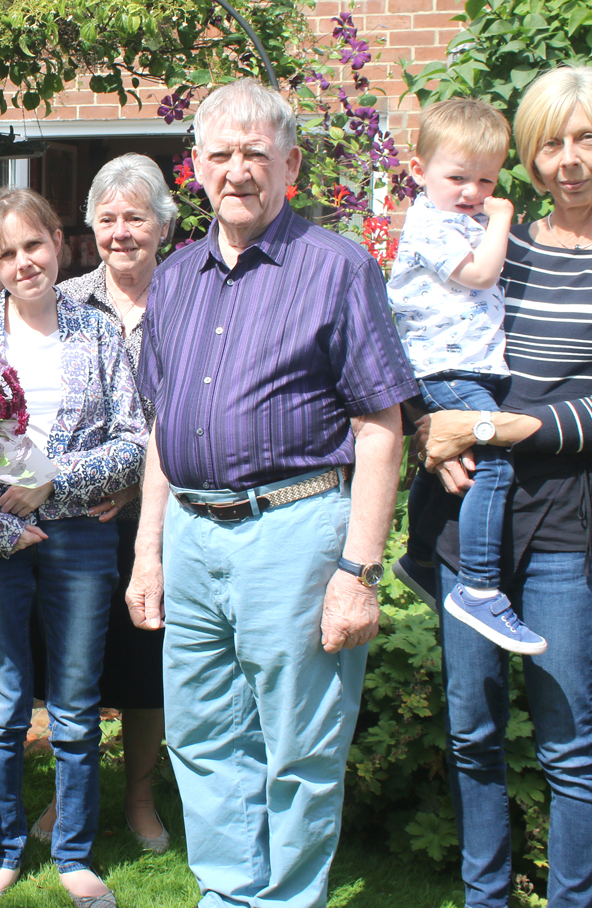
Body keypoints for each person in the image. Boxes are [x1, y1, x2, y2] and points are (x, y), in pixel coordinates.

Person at [126, 79, 415, 908]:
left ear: (291, 164)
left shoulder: (337, 268)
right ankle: (228, 891)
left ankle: (286, 898)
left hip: (293, 530)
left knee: (298, 743)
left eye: (257, 154)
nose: (238, 171)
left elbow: (380, 426)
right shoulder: (175, 280)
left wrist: (357, 572)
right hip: (191, 534)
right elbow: (159, 425)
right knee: (204, 735)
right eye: (220, 155)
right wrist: (148, 554)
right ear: (196, 170)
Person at [418, 65, 592, 908]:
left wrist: (484, 430)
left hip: (569, 532)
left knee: (569, 747)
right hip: (470, 525)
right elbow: (423, 335)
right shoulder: (501, 244)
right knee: (472, 739)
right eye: (548, 145)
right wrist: (430, 425)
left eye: (586, 138)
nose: (568, 161)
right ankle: (483, 899)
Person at [0, 187, 146, 908]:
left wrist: (49, 483)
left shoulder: (97, 332)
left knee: (74, 703)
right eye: (5, 252)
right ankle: (4, 852)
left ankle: (72, 853)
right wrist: (2, 524)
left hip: (81, 539)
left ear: (59, 243)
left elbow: (133, 441)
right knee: (2, 705)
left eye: (33, 245)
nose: (23, 261)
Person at [33, 153, 174, 853]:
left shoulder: (188, 295)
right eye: (109, 218)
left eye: (136, 218)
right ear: (91, 226)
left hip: (164, 509)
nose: (121, 232)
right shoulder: (66, 299)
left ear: (163, 226)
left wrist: (138, 481)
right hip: (80, 512)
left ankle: (140, 796)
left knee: (146, 664)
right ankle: (70, 795)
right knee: (77, 661)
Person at [386, 100, 545, 654]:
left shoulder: (461, 218)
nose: (473, 191)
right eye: (457, 177)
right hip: (443, 366)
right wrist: (503, 219)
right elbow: (480, 274)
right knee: (494, 463)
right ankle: (478, 587)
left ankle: (422, 556)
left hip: (462, 364)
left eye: (485, 179)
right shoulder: (431, 223)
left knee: (445, 468)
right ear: (418, 169)